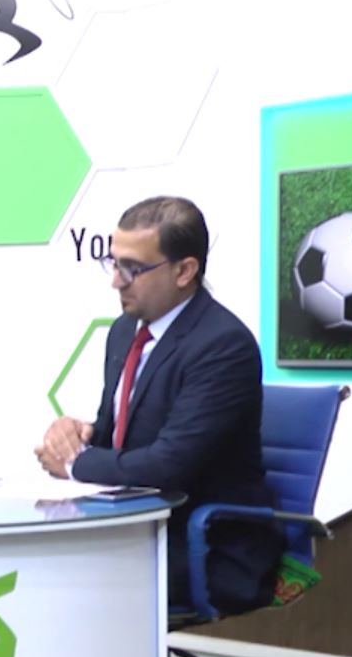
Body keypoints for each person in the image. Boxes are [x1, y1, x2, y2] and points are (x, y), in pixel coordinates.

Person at [35, 196, 281, 615]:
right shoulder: (124, 331)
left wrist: (75, 463)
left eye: (132, 268)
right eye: (113, 264)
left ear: (184, 271)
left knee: (57, 581)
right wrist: (79, 435)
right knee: (32, 562)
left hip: (204, 545)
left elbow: (168, 466)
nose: (116, 281)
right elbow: (117, 434)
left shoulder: (223, 346)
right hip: (133, 529)